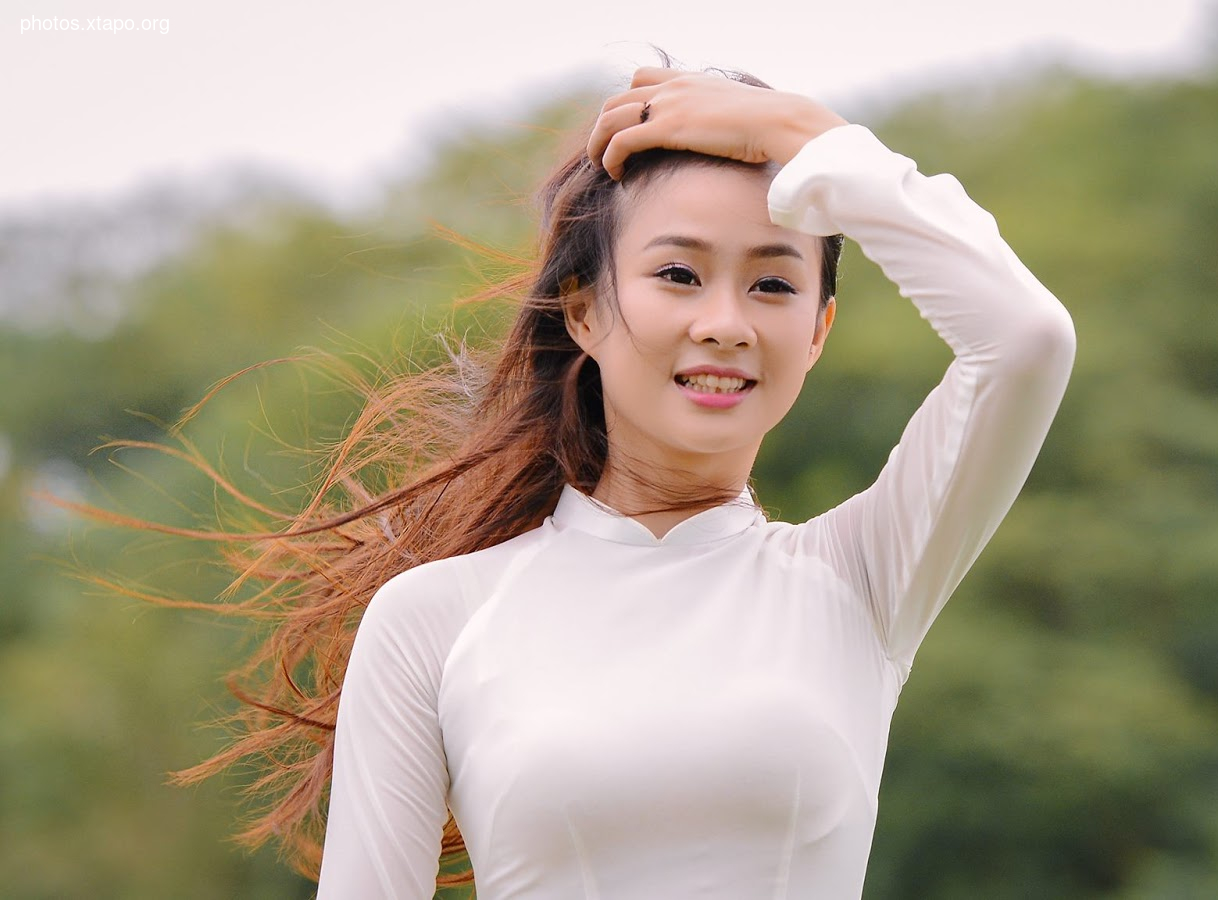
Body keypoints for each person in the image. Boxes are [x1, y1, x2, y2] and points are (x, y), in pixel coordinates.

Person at [299, 63, 1075, 897]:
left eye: (773, 284)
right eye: (679, 275)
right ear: (584, 309)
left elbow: (1024, 338)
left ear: (819, 330)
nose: (725, 325)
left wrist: (803, 134)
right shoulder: (437, 620)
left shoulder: (861, 578)